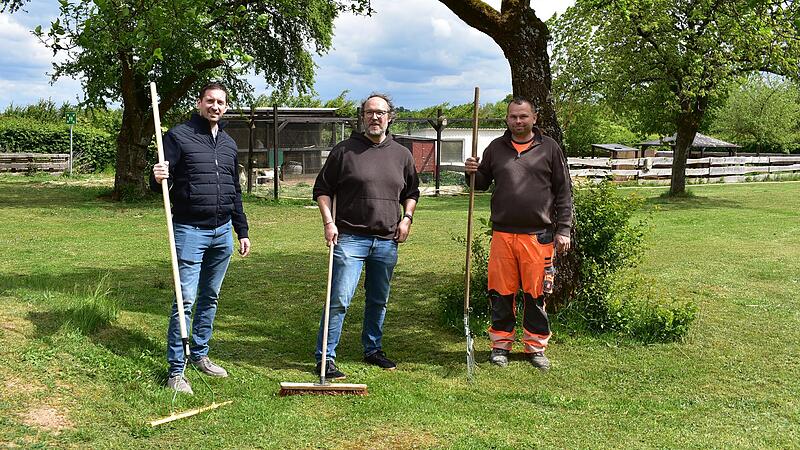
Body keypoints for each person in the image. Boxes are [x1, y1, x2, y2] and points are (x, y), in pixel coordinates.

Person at [151, 82, 251, 394]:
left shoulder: (230, 144)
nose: (215, 106)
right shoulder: (178, 136)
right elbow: (159, 183)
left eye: (221, 102)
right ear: (199, 103)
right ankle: (176, 371)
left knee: (210, 296)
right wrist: (155, 178)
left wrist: (241, 230)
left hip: (222, 232)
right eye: (210, 101)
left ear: (226, 106)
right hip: (189, 230)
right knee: (186, 300)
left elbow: (234, 190)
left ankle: (200, 354)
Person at [312, 93, 420, 379]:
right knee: (339, 299)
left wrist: (407, 219)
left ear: (390, 117)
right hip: (349, 239)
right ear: (362, 116)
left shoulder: (402, 155)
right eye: (369, 112)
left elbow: (411, 193)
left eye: (380, 112)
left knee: (378, 299)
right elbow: (322, 190)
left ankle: (372, 349)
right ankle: (325, 357)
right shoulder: (344, 151)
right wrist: (328, 222)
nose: (375, 117)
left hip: (386, 241)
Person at [464, 97, 572, 372]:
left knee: (536, 294)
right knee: (501, 293)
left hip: (538, 235)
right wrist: (472, 172)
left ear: (534, 118)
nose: (518, 121)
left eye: (523, 116)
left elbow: (563, 191)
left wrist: (564, 229)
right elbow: (481, 184)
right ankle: (500, 345)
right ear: (507, 119)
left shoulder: (548, 148)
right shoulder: (496, 148)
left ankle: (535, 347)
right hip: (503, 234)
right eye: (513, 116)